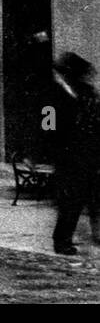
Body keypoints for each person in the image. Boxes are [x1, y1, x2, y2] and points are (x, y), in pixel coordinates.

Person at [49, 52, 100, 255]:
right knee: (70, 201)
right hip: (67, 157)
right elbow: (47, 127)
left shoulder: (88, 93)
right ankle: (61, 241)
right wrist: (40, 153)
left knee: (95, 197)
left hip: (90, 153)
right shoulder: (52, 96)